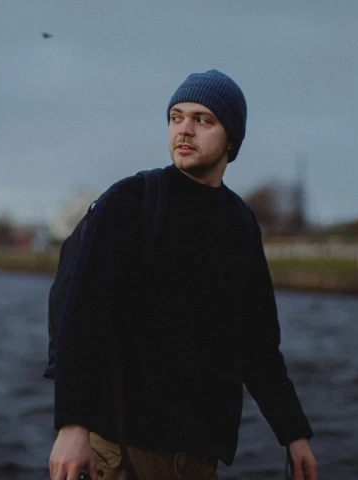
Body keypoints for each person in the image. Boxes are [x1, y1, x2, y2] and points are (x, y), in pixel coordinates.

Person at [48, 69, 318, 480]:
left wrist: (293, 434)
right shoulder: (130, 201)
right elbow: (82, 318)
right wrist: (72, 426)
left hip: (198, 452)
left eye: (202, 120)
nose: (184, 130)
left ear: (232, 139)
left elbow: (258, 344)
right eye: (176, 117)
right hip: (121, 445)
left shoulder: (241, 222)